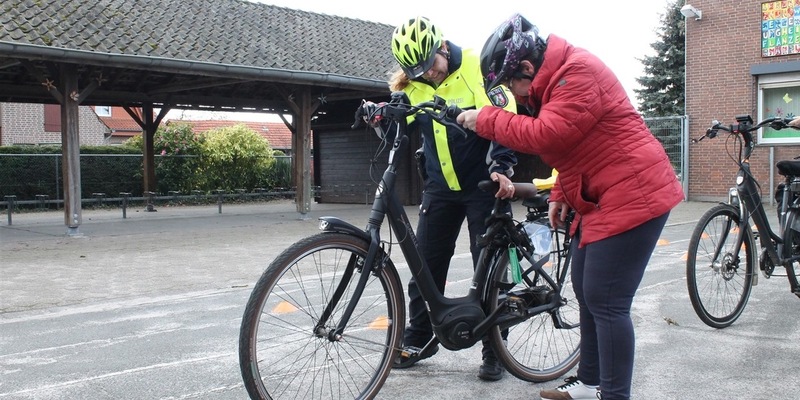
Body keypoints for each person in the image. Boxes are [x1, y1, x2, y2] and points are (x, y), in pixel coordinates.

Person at [457, 14, 684, 400]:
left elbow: (550, 133)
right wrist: (562, 190)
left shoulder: (577, 72)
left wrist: (488, 119)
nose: (517, 96)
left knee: (607, 299)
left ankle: (614, 394)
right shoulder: (555, 80)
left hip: (636, 193)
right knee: (585, 287)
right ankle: (590, 382)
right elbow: (575, 146)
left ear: (527, 67)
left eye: (512, 85)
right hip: (602, 194)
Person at [387, 16, 518, 381]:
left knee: (489, 270)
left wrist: (503, 166)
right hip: (440, 188)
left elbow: (505, 118)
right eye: (417, 71)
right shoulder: (415, 83)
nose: (427, 75)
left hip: (483, 185)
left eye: (430, 65)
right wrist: (383, 116)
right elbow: (404, 122)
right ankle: (420, 336)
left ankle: (495, 349)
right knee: (424, 265)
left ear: (442, 47)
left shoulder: (478, 66)